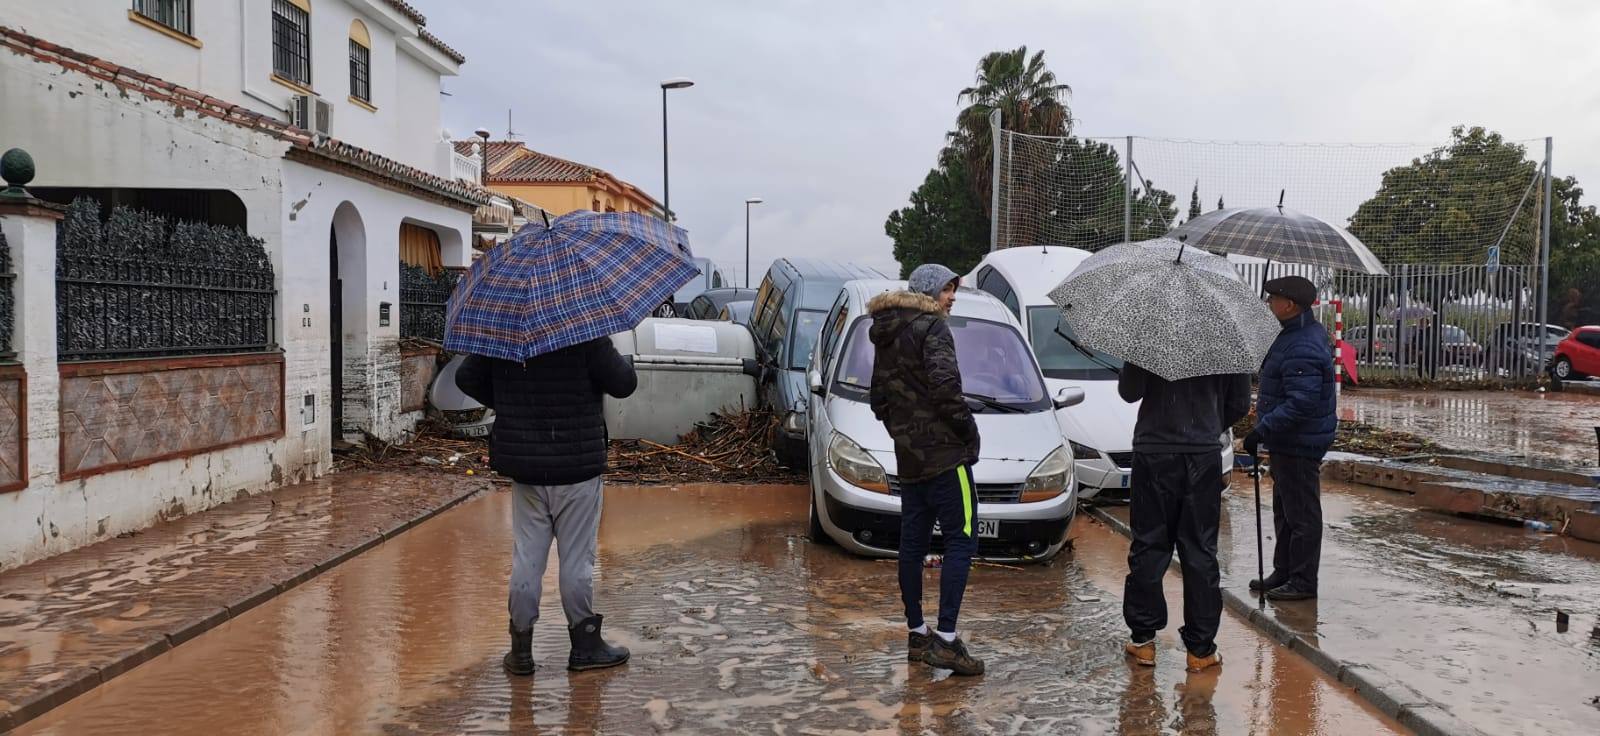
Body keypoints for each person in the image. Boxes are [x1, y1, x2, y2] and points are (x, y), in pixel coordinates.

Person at [455, 338, 638, 675]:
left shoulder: (505, 333)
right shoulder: (585, 332)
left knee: (527, 558)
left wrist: (511, 402)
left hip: (527, 469)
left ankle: (521, 650)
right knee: (576, 560)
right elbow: (624, 384)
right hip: (578, 470)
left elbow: (466, 378)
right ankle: (585, 647)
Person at [868, 263, 984, 677]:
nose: (953, 296)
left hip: (910, 460)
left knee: (912, 546)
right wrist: (969, 436)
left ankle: (917, 633)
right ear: (931, 292)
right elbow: (946, 389)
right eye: (949, 290)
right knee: (962, 541)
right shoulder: (932, 328)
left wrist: (904, 434)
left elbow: (878, 399)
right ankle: (947, 642)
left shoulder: (887, 331)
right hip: (945, 457)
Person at [1118, 358, 1250, 673]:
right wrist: (1206, 424)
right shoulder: (1226, 337)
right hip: (1202, 454)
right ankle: (1200, 650)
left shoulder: (1149, 332)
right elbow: (1240, 404)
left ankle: (1143, 641)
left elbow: (1128, 392)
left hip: (1154, 452)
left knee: (1149, 544)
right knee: (1200, 549)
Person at [1244, 275, 1337, 601]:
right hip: (1288, 441)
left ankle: (1302, 581)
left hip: (1299, 442)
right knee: (1285, 511)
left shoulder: (1303, 344)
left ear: (1290, 305)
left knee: (1302, 516)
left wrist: (1263, 429)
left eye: (1273, 299)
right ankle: (1283, 570)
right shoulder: (1292, 334)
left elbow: (1301, 401)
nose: (1268, 304)